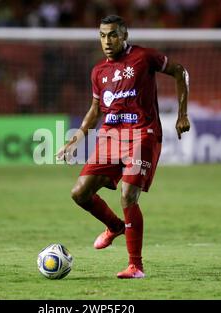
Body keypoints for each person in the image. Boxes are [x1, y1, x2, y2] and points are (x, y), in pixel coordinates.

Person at [56, 15, 190, 278]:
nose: (108, 41)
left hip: (143, 133)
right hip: (111, 137)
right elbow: (95, 109)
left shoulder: (144, 57)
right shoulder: (98, 72)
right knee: (79, 193)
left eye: (113, 35)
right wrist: (77, 138)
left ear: (125, 35)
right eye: (103, 35)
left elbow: (180, 71)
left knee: (128, 194)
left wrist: (182, 113)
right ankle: (116, 226)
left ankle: (135, 266)